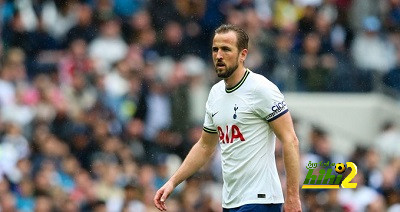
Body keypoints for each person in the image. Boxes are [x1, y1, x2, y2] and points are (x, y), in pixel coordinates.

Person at [154, 24, 301, 212]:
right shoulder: (215, 93)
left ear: (243, 54)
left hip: (261, 199)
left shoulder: (261, 89)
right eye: (215, 49)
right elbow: (205, 146)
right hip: (231, 201)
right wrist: (173, 182)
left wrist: (293, 196)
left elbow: (290, 140)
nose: (219, 56)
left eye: (226, 49)